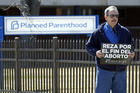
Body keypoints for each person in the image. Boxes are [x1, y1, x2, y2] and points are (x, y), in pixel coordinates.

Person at [85, 6, 135, 93]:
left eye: (116, 15)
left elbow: (131, 46)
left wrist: (132, 53)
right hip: (104, 70)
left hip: (121, 71)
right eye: (112, 15)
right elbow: (89, 46)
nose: (115, 18)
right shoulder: (98, 32)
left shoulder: (125, 32)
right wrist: (96, 52)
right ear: (106, 17)